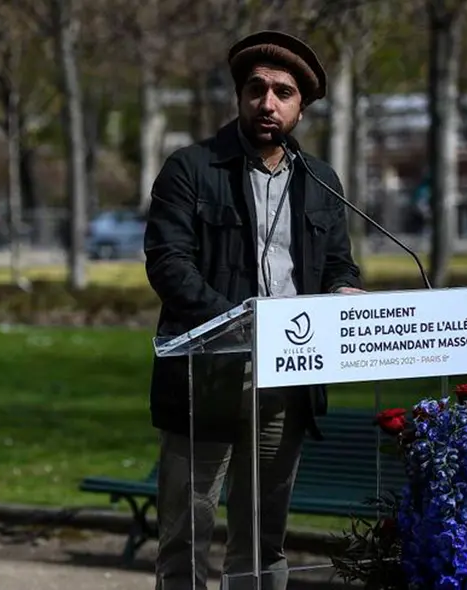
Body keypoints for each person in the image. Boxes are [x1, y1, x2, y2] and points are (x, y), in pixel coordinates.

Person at [143, 31, 363, 590]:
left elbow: (338, 264)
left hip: (288, 377)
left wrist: (343, 292)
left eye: (283, 93)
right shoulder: (191, 169)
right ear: (240, 96)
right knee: (185, 537)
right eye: (256, 89)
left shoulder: (321, 180)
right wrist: (239, 324)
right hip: (205, 377)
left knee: (262, 542)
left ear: (300, 108)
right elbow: (169, 264)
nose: (268, 103)